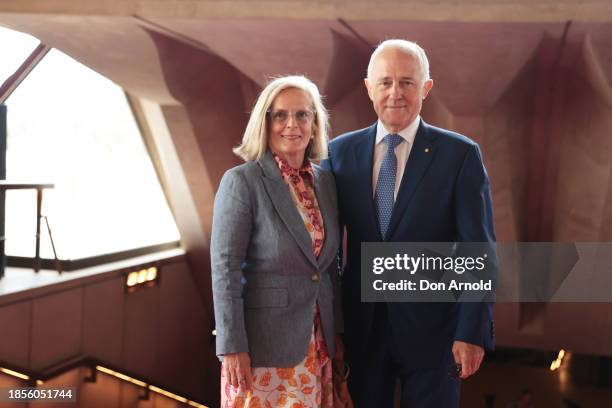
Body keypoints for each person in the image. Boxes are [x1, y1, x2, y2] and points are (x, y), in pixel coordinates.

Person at [321, 39, 496, 407]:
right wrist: (332, 324)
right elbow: (328, 247)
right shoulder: (339, 153)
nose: (395, 93)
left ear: (426, 88)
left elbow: (477, 250)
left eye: (407, 82)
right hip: (361, 330)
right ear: (368, 87)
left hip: (437, 333)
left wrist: (471, 332)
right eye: (385, 82)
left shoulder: (460, 155)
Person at [211, 75, 348, 407]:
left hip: (319, 346)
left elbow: (329, 269)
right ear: (265, 122)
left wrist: (337, 335)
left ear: (315, 124)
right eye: (280, 115)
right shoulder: (242, 182)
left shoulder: (325, 182)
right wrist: (231, 347)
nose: (292, 124)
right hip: (262, 349)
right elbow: (224, 268)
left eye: (303, 114)